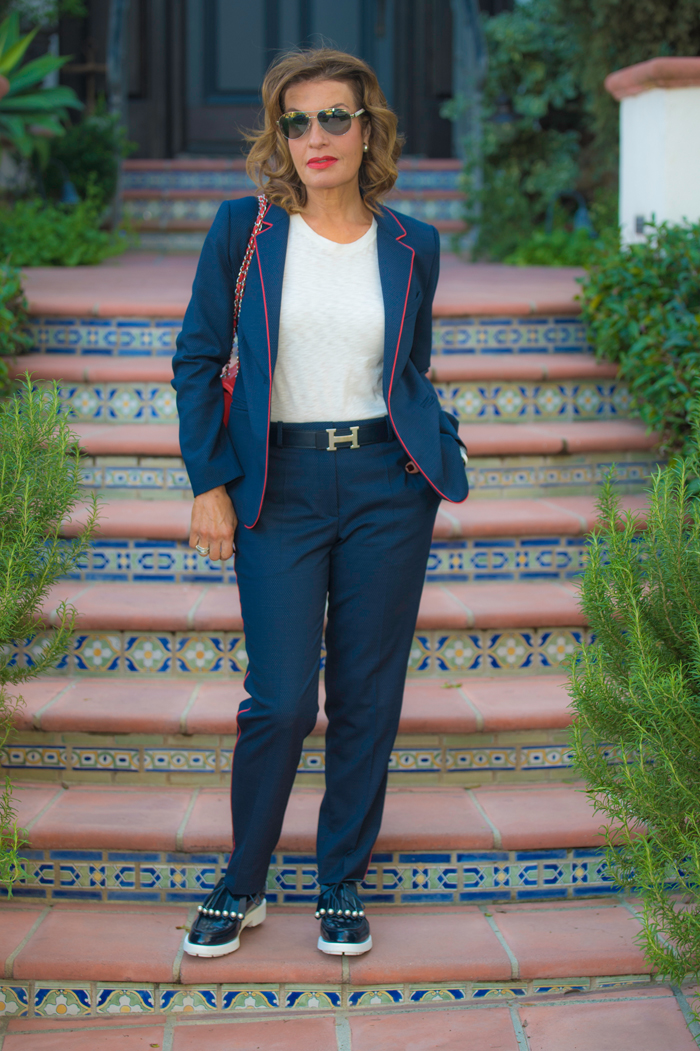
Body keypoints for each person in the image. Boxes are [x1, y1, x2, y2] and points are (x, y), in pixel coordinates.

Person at [172, 47, 468, 959]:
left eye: (335, 116)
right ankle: (244, 880)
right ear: (279, 136)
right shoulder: (245, 231)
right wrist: (210, 483)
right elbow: (195, 359)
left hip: (387, 485)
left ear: (368, 127)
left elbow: (408, 363)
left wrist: (434, 448)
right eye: (296, 121)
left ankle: (340, 878)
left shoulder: (413, 241)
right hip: (280, 486)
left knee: (369, 696)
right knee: (282, 699)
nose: (315, 137)